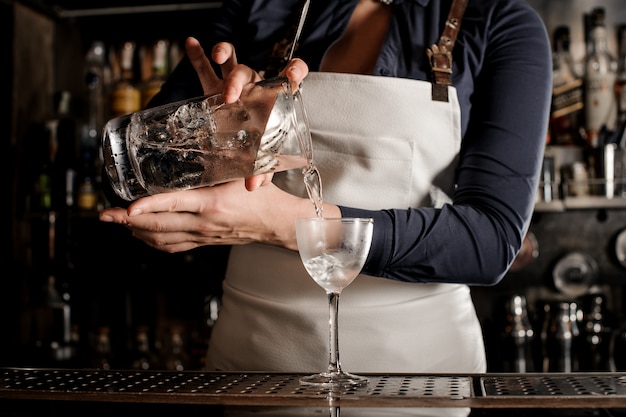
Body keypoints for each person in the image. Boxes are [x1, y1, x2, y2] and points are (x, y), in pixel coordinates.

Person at [100, 0, 551, 378]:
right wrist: (213, 133)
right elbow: (126, 183)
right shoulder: (258, 11)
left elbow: (489, 240)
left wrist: (283, 225)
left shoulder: (498, 22)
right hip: (255, 368)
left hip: (415, 373)